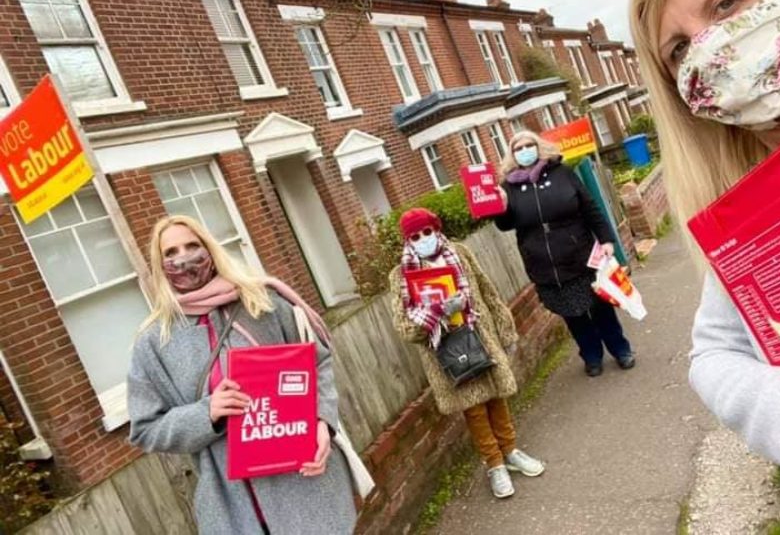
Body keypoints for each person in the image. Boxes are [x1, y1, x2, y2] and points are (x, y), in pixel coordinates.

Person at [628, 0, 780, 526]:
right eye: (679, 49)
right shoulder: (751, 209)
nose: (708, 48)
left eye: (726, 5)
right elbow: (714, 351)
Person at [127, 215, 357, 535]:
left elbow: (318, 362)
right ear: (159, 264)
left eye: (193, 246)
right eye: (171, 252)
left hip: (305, 483)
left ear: (210, 249)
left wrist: (323, 422)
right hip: (233, 507)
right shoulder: (153, 341)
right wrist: (205, 414)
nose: (184, 258)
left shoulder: (263, 302)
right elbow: (145, 428)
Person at [389, 208, 545, 499]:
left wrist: (505, 329)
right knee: (474, 408)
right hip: (447, 350)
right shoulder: (401, 275)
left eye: (427, 231)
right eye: (415, 235)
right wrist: (436, 311)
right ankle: (494, 464)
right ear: (407, 239)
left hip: (480, 336)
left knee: (497, 396)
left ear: (436, 229)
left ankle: (510, 451)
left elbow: (487, 291)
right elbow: (405, 328)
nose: (423, 239)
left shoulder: (459, 253)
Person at [494, 131, 635, 377]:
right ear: (512, 155)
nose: (525, 150)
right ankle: (591, 356)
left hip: (581, 255)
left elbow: (590, 208)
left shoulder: (562, 173)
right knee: (573, 315)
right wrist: (502, 207)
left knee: (600, 307)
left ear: (539, 147)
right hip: (545, 264)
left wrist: (607, 240)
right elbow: (505, 225)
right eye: (519, 148)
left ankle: (621, 350)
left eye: (530, 145)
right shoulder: (508, 187)